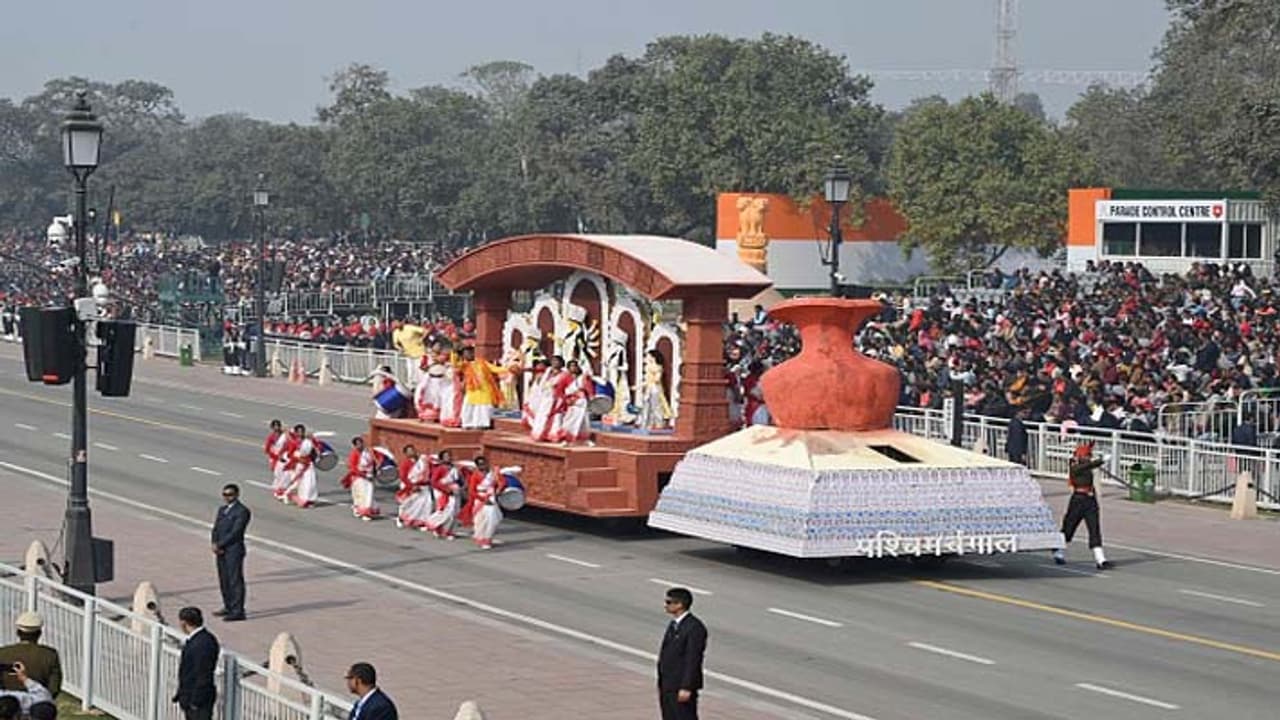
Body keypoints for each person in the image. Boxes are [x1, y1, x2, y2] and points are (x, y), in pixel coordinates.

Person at [1053, 442, 1112, 570]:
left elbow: (1090, 467)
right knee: (1069, 526)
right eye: (1087, 455)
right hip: (1078, 500)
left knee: (1094, 528)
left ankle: (1100, 559)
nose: (1089, 457)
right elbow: (1087, 466)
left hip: (1090, 499)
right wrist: (1100, 461)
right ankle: (1059, 551)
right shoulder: (1075, 467)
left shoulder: (1086, 466)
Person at [657, 587, 708, 720]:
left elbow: (693, 659)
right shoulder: (674, 624)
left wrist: (686, 687)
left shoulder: (694, 627)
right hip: (668, 684)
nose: (665, 605)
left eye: (668, 602)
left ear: (679, 605)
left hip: (680, 685)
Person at [211, 483, 250, 621]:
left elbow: (236, 532)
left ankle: (238, 610)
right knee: (224, 580)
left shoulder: (242, 511)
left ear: (237, 495)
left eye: (230, 495)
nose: (227, 498)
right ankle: (228, 606)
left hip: (233, 550)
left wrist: (220, 544)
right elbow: (216, 528)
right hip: (221, 550)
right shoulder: (222, 510)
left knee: (235, 580)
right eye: (225, 495)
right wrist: (214, 543)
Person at [173, 607, 219, 720]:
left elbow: (203, 674)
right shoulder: (203, 639)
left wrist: (195, 702)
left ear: (184, 623)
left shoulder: (201, 644)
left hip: (198, 700)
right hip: (193, 697)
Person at [0, 612, 61, 697]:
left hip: (8, 704)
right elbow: (54, 687)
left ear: (18, 633)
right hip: (38, 704)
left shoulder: (3, 653)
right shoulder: (50, 655)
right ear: (39, 633)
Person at [461, 456, 508, 550]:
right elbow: (471, 491)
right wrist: (483, 499)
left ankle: (488, 538)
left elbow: (502, 482)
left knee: (493, 519)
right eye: (481, 464)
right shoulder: (475, 475)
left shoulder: (493, 473)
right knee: (481, 520)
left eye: (484, 463)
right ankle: (482, 539)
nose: (483, 466)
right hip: (480, 498)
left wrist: (499, 489)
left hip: (491, 496)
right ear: (478, 466)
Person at [455, 345, 506, 429]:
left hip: (484, 389)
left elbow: (495, 369)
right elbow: (455, 365)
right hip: (472, 390)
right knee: (469, 407)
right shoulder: (464, 365)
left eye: (469, 353)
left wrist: (508, 368)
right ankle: (468, 423)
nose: (467, 355)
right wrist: (455, 350)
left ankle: (482, 424)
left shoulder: (482, 363)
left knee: (483, 408)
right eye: (465, 354)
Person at [528, 355, 568, 442]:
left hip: (558, 399)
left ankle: (554, 435)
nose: (555, 363)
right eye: (553, 361)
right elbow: (541, 385)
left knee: (556, 418)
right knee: (542, 416)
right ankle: (540, 434)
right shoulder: (547, 373)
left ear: (561, 363)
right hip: (546, 399)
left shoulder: (564, 375)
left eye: (557, 361)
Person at [555, 359, 595, 445]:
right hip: (572, 402)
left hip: (582, 401)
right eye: (571, 366)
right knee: (570, 421)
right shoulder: (564, 378)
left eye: (575, 366)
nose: (574, 368)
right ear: (568, 368)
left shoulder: (583, 377)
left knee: (584, 421)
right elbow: (559, 391)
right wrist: (566, 399)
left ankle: (585, 440)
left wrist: (591, 396)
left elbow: (589, 388)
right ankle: (566, 439)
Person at [423, 450, 461, 539]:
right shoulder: (440, 468)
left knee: (454, 512)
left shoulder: (454, 468)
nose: (448, 458)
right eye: (446, 456)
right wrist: (446, 490)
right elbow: (434, 482)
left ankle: (447, 531)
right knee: (444, 511)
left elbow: (459, 480)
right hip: (442, 493)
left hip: (454, 492)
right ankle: (435, 525)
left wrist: (460, 488)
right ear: (442, 458)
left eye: (449, 456)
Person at [394, 445, 433, 530]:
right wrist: (412, 486)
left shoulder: (423, 461)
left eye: (413, 450)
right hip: (412, 487)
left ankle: (421, 522)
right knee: (409, 504)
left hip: (424, 486)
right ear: (406, 454)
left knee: (426, 504)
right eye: (409, 451)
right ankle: (402, 518)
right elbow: (403, 477)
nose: (412, 452)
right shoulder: (406, 463)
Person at [344, 436, 381, 520]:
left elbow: (375, 462)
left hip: (369, 477)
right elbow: (352, 467)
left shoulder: (368, 452)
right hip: (359, 478)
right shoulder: (354, 454)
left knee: (369, 494)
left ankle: (367, 510)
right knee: (362, 495)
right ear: (354, 446)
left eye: (361, 443)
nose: (360, 446)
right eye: (357, 444)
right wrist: (363, 475)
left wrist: (375, 470)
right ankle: (364, 512)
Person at [282, 425, 319, 508]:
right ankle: (288, 494)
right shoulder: (294, 442)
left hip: (308, 464)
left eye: (302, 431)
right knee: (299, 483)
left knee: (311, 482)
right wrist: (298, 459)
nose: (300, 433)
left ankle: (310, 499)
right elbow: (289, 454)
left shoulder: (308, 441)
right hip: (299, 465)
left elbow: (316, 449)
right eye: (298, 432)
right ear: (295, 433)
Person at [636, 350, 673, 431]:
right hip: (649, 389)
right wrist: (638, 386)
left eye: (648, 356)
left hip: (655, 389)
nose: (646, 357)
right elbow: (647, 381)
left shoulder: (657, 367)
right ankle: (646, 423)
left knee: (656, 406)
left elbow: (657, 379)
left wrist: (654, 376)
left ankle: (659, 423)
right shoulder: (648, 367)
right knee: (646, 407)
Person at [263, 419, 290, 501]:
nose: (276, 428)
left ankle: (283, 490)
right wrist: (275, 456)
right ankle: (278, 491)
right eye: (274, 426)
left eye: (278, 426)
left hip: (285, 456)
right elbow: (267, 449)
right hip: (275, 457)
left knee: (285, 474)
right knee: (278, 474)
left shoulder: (284, 435)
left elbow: (290, 441)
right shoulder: (271, 437)